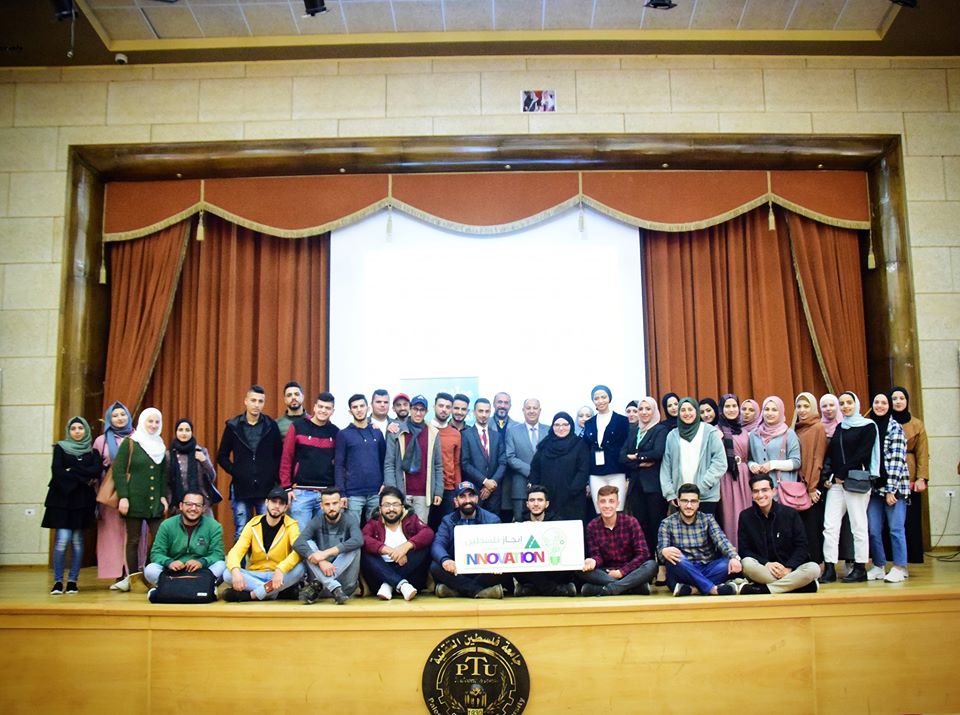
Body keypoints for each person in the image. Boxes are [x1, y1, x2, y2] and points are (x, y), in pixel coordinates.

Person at [820, 391, 879, 584]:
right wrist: (830, 476)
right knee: (830, 526)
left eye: (849, 403)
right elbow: (833, 454)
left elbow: (862, 454)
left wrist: (841, 474)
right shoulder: (840, 427)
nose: (845, 406)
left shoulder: (868, 426)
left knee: (858, 525)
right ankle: (829, 568)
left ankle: (860, 568)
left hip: (856, 482)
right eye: (842, 403)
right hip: (837, 484)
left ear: (856, 404)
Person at [42, 416, 100, 595]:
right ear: (69, 431)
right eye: (73, 428)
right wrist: (82, 477)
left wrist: (72, 469)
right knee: (62, 540)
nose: (77, 431)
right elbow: (57, 471)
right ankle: (58, 581)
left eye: (80, 428)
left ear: (86, 430)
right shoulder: (60, 448)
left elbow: (95, 471)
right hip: (62, 500)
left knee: (77, 541)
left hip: (82, 502)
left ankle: (73, 581)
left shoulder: (93, 452)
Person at [217, 385, 283, 539]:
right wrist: (237, 472)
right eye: (253, 400)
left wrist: (272, 476)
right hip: (241, 487)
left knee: (266, 532)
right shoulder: (233, 426)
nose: (256, 404)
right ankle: (240, 557)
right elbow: (222, 456)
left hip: (265, 488)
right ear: (246, 401)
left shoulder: (271, 426)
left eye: (260, 401)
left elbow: (279, 455)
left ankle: (262, 557)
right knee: (242, 531)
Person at [114, 407, 169, 592]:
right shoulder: (131, 443)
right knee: (133, 540)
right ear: (142, 422)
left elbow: (162, 475)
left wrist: (163, 496)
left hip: (154, 502)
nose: (153, 425)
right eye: (150, 421)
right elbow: (118, 471)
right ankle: (134, 578)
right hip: (133, 499)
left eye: (157, 422)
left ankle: (148, 573)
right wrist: (123, 497)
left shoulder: (160, 445)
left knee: (160, 538)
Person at [737, 475, 820, 595]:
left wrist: (788, 568)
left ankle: (765, 589)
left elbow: (802, 546)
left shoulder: (790, 514)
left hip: (790, 569)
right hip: (764, 569)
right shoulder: (745, 516)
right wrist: (767, 563)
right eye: (756, 491)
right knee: (747, 563)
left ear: (773, 491)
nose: (760, 495)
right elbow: (744, 550)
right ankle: (800, 586)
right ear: (752, 494)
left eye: (764, 490)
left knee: (814, 568)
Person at [222, 486, 304, 602]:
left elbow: (297, 552)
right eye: (274, 501)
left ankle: (252, 595)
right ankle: (276, 593)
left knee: (300, 569)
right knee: (228, 574)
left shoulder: (291, 525)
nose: (277, 506)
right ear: (266, 503)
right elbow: (236, 551)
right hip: (256, 574)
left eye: (281, 503)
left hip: (278, 574)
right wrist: (235, 570)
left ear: (286, 507)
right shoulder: (253, 524)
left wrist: (280, 569)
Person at [657, 484, 740, 597]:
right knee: (675, 557)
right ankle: (712, 589)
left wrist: (734, 557)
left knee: (727, 563)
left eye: (693, 501)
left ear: (698, 503)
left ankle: (693, 589)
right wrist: (664, 551)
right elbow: (662, 550)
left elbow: (721, 540)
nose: (689, 505)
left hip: (706, 566)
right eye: (685, 501)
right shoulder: (667, 523)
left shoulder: (707, 519)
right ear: (678, 502)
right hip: (683, 568)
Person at [144, 492, 226, 601]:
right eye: (189, 504)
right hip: (173, 572)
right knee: (150, 570)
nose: (193, 508)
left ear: (203, 509)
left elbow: (218, 554)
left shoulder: (214, 526)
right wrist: (169, 562)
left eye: (198, 505)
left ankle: (168, 590)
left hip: (201, 572)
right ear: (181, 506)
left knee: (222, 565)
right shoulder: (167, 525)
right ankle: (203, 589)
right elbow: (156, 553)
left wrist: (201, 562)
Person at [430, 481, 506, 599]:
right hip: (457, 570)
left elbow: (502, 548)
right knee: (435, 566)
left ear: (477, 498)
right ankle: (479, 591)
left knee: (505, 567)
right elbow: (437, 544)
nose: (468, 500)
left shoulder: (492, 520)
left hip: (483, 570)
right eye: (462, 496)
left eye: (471, 496)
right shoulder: (447, 521)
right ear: (456, 501)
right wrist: (445, 560)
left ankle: (457, 591)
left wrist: (498, 562)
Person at [866, 393, 910, 583]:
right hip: (875, 489)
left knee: (895, 529)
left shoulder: (895, 427)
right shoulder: (869, 427)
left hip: (894, 488)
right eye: (876, 402)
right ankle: (879, 565)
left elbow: (898, 461)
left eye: (884, 402)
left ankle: (900, 567)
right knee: (873, 529)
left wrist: (891, 489)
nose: (880, 406)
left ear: (889, 406)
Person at [360, 486, 434, 601]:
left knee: (423, 548)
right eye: (386, 505)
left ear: (402, 507)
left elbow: (428, 533)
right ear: (380, 509)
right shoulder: (374, 522)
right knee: (366, 553)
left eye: (395, 505)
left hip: (410, 578)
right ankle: (400, 584)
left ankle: (389, 584)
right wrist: (387, 550)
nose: (391, 509)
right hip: (379, 577)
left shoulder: (411, 519)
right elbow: (363, 538)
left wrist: (405, 547)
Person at [581, 485, 657, 596]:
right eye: (603, 501)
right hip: (606, 573)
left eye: (611, 501)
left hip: (630, 571)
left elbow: (643, 554)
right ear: (598, 504)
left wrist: (621, 572)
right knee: (580, 569)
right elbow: (597, 556)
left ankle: (610, 588)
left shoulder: (631, 522)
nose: (607, 505)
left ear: (618, 503)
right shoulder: (592, 526)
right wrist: (593, 561)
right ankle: (633, 587)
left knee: (652, 565)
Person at [279, 391, 338, 531]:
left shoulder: (336, 432)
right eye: (321, 407)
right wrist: (287, 488)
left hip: (326, 494)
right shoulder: (298, 427)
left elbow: (339, 464)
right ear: (315, 407)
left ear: (332, 411)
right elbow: (286, 458)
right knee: (301, 536)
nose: (323, 410)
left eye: (328, 408)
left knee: (324, 537)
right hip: (300, 493)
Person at [618, 396, 669, 561]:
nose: (644, 412)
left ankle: (660, 562)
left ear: (654, 411)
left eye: (648, 409)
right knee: (641, 525)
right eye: (641, 409)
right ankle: (646, 562)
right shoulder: (634, 431)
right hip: (636, 486)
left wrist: (636, 457)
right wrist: (642, 461)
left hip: (653, 486)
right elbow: (622, 457)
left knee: (656, 525)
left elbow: (657, 453)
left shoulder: (660, 430)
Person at [294, 487, 362, 605]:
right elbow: (298, 542)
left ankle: (324, 582)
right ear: (321, 506)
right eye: (327, 504)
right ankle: (332, 585)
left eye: (335, 503)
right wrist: (320, 561)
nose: (331, 508)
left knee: (354, 547)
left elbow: (359, 540)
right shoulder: (317, 521)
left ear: (341, 504)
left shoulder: (350, 520)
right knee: (308, 545)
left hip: (344, 587)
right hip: (329, 591)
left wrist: (325, 553)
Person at [92, 400, 135, 586]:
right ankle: (117, 572)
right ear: (109, 419)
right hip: (110, 491)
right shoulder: (101, 441)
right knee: (111, 533)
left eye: (123, 414)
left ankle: (133, 571)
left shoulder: (138, 437)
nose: (119, 418)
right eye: (115, 415)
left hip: (134, 488)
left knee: (133, 532)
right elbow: (95, 467)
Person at [660, 397, 726, 515]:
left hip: (706, 496)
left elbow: (720, 462)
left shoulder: (710, 432)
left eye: (690, 409)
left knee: (705, 526)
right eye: (683, 410)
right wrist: (670, 493)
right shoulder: (672, 435)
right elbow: (666, 466)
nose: (687, 413)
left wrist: (702, 487)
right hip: (680, 497)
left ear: (696, 411)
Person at [384, 394, 444, 522]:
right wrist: (392, 492)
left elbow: (438, 465)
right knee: (399, 529)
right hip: (401, 492)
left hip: (423, 494)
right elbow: (389, 464)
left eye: (422, 410)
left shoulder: (433, 432)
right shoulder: (396, 430)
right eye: (415, 409)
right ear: (410, 409)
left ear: (426, 412)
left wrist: (438, 491)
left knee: (420, 530)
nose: (418, 413)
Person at [513, 485, 577, 597]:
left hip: (552, 568)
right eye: (532, 500)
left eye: (540, 500)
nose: (536, 504)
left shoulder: (558, 522)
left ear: (546, 504)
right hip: (530, 567)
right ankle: (558, 590)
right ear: (527, 504)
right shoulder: (519, 522)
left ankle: (530, 590)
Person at [890, 386, 929, 565]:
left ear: (907, 401)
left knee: (911, 518)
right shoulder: (885, 422)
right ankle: (892, 557)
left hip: (911, 475)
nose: (898, 402)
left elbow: (922, 452)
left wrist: (922, 478)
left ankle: (913, 556)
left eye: (901, 398)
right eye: (894, 398)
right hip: (890, 474)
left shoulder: (917, 424)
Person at [528, 412, 590, 521]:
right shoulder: (545, 445)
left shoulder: (580, 444)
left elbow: (583, 470)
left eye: (565, 424)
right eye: (557, 425)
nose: (561, 428)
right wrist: (539, 492)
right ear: (552, 427)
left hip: (572, 498)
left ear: (571, 426)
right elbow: (535, 469)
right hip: (548, 499)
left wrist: (572, 490)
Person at [335, 393, 386, 525]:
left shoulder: (377, 432)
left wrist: (385, 483)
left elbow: (384, 461)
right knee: (352, 531)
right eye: (355, 407)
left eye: (362, 406)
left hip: (375, 492)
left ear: (368, 408)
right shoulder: (343, 434)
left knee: (375, 530)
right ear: (350, 411)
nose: (359, 410)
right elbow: (339, 465)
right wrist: (342, 493)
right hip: (353, 493)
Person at [581, 384, 630, 513]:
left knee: (617, 509)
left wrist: (628, 477)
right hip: (595, 473)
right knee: (600, 510)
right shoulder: (589, 423)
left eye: (603, 397)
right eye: (596, 398)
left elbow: (627, 447)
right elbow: (586, 449)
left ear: (609, 398)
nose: (600, 401)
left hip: (617, 471)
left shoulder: (622, 421)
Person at [792, 392, 828, 565]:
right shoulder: (795, 428)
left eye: (806, 406)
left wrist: (812, 487)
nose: (802, 410)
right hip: (796, 485)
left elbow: (817, 459)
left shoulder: (818, 427)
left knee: (812, 527)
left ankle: (816, 564)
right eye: (799, 406)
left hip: (811, 485)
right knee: (799, 528)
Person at [747, 396, 802, 504]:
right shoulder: (754, 434)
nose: (769, 413)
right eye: (766, 409)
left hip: (783, 491)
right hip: (760, 491)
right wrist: (752, 465)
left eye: (774, 410)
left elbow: (796, 462)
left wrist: (772, 464)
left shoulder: (789, 434)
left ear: (780, 412)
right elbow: (749, 458)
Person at [503, 398, 549, 522]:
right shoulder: (512, 431)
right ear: (523, 410)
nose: (531, 411)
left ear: (540, 410)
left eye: (535, 408)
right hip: (520, 487)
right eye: (528, 408)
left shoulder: (549, 430)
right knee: (520, 522)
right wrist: (532, 471)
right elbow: (510, 457)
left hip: (544, 485)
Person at [459, 397, 507, 515]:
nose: (484, 415)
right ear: (474, 412)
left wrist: (492, 484)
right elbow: (465, 464)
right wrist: (485, 481)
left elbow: (502, 462)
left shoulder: (497, 436)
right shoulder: (465, 435)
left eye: (487, 411)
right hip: (474, 491)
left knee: (493, 524)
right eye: (480, 411)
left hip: (494, 492)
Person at [717, 394, 752, 550]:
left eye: (734, 406)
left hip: (744, 476)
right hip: (726, 477)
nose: (731, 410)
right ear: (721, 409)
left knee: (747, 512)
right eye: (727, 406)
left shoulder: (744, 431)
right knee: (730, 515)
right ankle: (733, 552)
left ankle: (749, 552)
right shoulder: (716, 431)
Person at [166, 418, 220, 514]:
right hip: (179, 505)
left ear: (191, 432)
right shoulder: (169, 455)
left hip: (202, 504)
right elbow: (167, 482)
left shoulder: (201, 451)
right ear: (176, 432)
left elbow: (212, 477)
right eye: (180, 430)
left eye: (187, 430)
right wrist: (171, 503)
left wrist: (204, 461)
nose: (184, 433)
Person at [431, 392, 462, 527]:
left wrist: (458, 492)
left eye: (448, 407)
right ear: (434, 407)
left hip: (449, 489)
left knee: (448, 528)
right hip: (428, 488)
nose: (444, 409)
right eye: (441, 406)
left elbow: (456, 464)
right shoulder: (426, 429)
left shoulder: (456, 434)